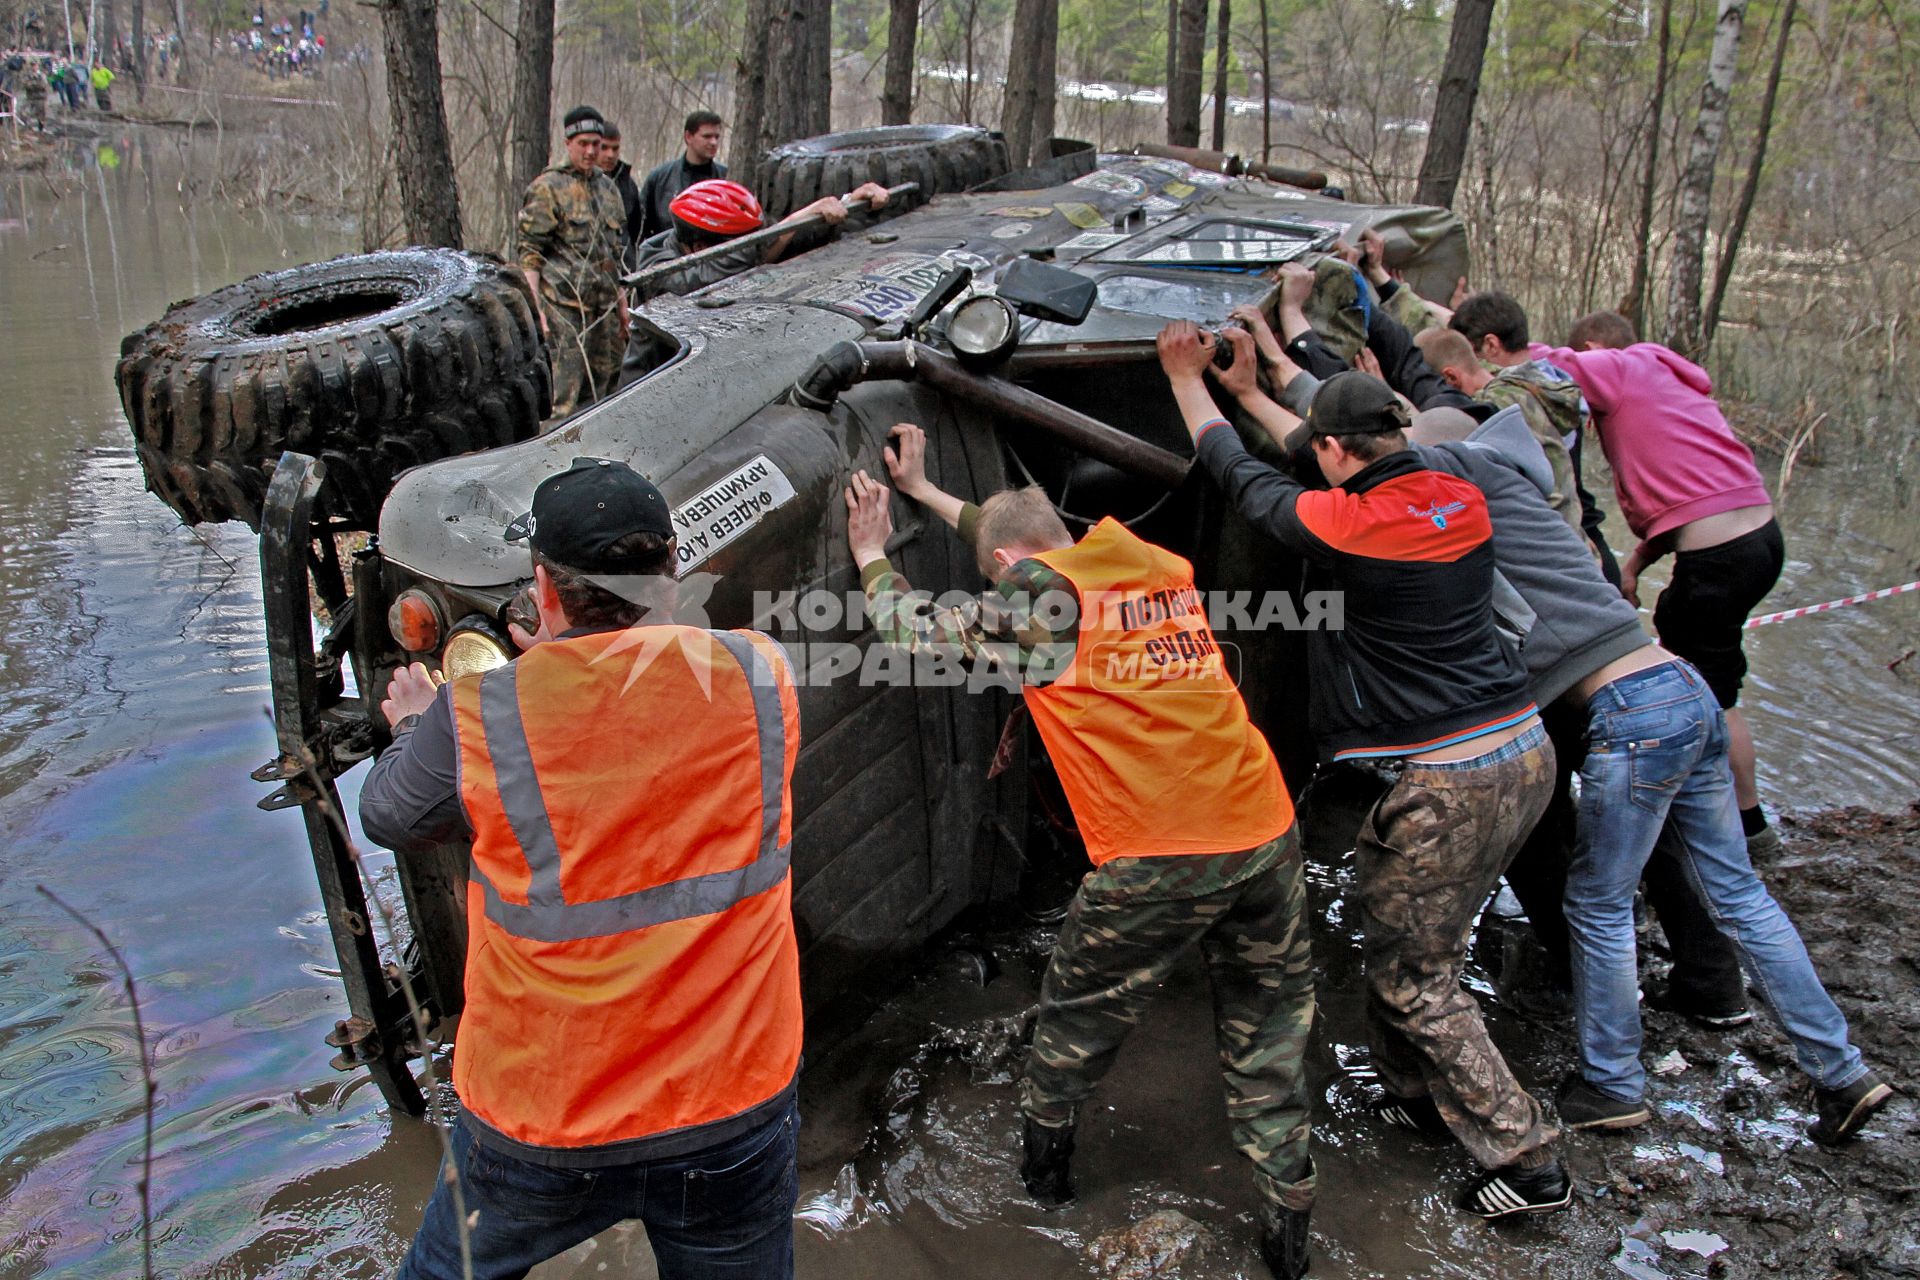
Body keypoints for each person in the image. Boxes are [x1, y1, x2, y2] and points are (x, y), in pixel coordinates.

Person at [843, 425, 1318, 1279]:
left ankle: (1044, 1186)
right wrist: (926, 491)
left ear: (1004, 573)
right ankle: (1290, 1225)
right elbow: (1018, 537)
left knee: (1075, 1023)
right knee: (1269, 1031)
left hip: (1163, 853)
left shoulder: (1040, 603)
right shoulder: (1142, 563)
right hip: (1264, 827)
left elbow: (909, 630)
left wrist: (875, 551)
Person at [1396, 407, 1894, 1145]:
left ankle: (1613, 1084)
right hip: (1682, 689)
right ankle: (1842, 1072)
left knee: (1597, 903)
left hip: (1633, 717)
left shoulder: (1468, 502)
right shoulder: (1541, 510)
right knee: (1740, 893)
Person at [1161, 325, 1571, 1220]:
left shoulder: (1349, 527)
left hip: (1449, 779)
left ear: (1340, 453)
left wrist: (1191, 385)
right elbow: (1318, 447)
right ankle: (1418, 1097)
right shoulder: (1453, 483)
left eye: (1325, 449)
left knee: (1413, 974)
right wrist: (1254, 392)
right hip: (1524, 755)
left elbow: (1246, 477)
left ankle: (1529, 1156)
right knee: (1405, 928)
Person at [360, 457, 805, 1280]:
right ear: (672, 576)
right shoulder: (759, 675)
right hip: (731, 1105)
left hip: (543, 1121)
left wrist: (421, 721)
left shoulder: (481, 715)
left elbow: (390, 813)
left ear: (545, 586)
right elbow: (649, 730)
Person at [1533, 310, 1783, 853]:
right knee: (1718, 683)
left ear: (1597, 348)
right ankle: (1745, 819)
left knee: (1701, 695)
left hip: (1719, 556)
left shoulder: (1617, 367)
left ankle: (1734, 826)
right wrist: (1632, 567)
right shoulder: (1665, 378)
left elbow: (1539, 362)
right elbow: (1692, 503)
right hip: (1759, 537)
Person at [1443, 291, 1618, 577]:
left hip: (1556, 565)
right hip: (1586, 550)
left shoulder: (1502, 400)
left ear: (1491, 344)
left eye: (1468, 355)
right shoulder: (1552, 382)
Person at [1413, 323, 1583, 535]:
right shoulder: (1520, 390)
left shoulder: (1492, 410)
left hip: (1545, 546)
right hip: (1570, 539)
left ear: (1451, 378)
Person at [516, 106, 630, 417]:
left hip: (604, 309)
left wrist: (621, 304)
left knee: (606, 391)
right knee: (563, 398)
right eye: (584, 143)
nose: (592, 151)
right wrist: (536, 310)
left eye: (597, 143)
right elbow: (531, 254)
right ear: (568, 143)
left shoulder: (608, 188)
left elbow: (613, 252)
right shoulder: (547, 188)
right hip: (564, 312)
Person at [637, 110, 727, 242]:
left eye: (717, 137)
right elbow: (641, 230)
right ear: (688, 137)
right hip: (668, 258)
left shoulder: (726, 179)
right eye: (707, 136)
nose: (713, 142)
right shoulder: (660, 179)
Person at [596, 121, 644, 265]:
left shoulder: (628, 185)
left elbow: (636, 233)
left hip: (624, 267)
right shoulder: (575, 183)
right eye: (604, 148)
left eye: (615, 149)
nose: (610, 155)